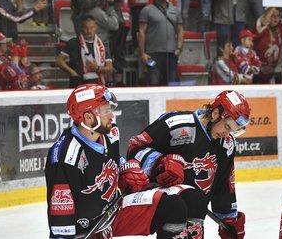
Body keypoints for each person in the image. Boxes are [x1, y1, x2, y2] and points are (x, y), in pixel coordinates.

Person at [46, 84, 191, 238]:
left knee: (172, 206)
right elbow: (61, 214)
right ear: (88, 117)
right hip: (85, 232)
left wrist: (127, 169)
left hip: (114, 212)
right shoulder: (66, 157)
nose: (112, 116)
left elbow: (115, 161)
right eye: (106, 110)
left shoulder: (110, 134)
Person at [127, 90, 251, 238]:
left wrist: (229, 219)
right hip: (164, 204)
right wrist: (159, 164)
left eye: (234, 131)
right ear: (215, 114)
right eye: (227, 127)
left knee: (196, 203)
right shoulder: (177, 124)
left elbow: (223, 184)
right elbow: (135, 147)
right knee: (183, 206)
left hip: (195, 210)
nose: (227, 134)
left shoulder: (226, 144)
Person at [56, 16, 113, 87]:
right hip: (78, 83)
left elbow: (110, 68)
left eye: (91, 28)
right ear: (82, 28)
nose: (89, 31)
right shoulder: (73, 42)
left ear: (96, 27)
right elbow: (59, 60)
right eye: (86, 28)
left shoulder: (103, 44)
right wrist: (72, 72)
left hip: (98, 84)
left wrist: (97, 68)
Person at [253, 7, 282, 84]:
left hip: (271, 75)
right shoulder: (261, 27)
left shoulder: (280, 29)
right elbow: (264, 20)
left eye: (278, 16)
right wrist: (273, 4)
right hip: (256, 75)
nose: (276, 18)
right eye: (273, 15)